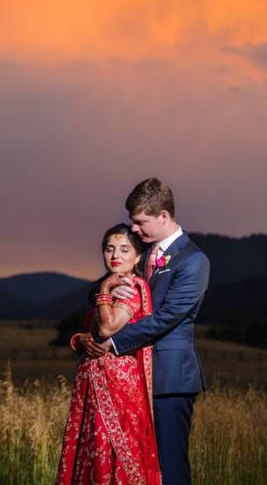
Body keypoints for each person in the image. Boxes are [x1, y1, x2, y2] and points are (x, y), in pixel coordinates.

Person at [80, 178, 210, 485]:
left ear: (163, 216)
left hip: (170, 377)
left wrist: (113, 342)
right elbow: (102, 291)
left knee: (170, 464)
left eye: (140, 222)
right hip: (136, 377)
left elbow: (169, 317)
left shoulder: (194, 261)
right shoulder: (144, 253)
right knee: (141, 464)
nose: (135, 229)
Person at [55, 224, 161, 485]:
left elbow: (107, 327)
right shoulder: (111, 286)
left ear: (137, 257)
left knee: (112, 451)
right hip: (92, 388)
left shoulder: (132, 288)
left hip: (119, 390)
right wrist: (79, 340)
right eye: (109, 248)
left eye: (125, 249)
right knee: (92, 451)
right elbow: (89, 333)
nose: (115, 255)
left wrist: (104, 290)